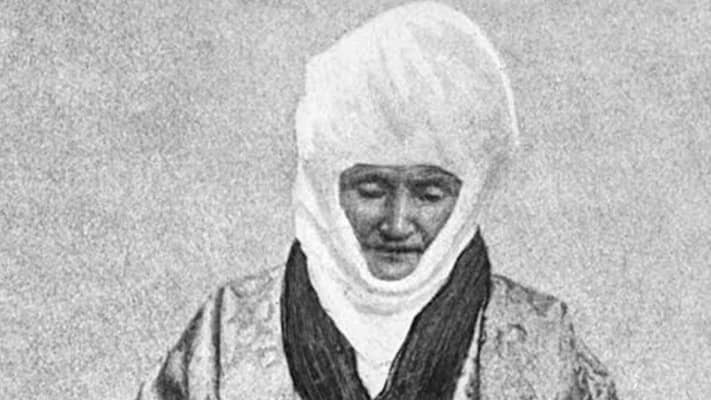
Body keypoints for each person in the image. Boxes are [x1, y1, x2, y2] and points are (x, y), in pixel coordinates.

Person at [136, 2, 618, 399]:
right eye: (371, 189)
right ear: (324, 186)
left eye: (429, 193)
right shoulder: (227, 332)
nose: (397, 222)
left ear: (468, 195)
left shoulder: (540, 339)